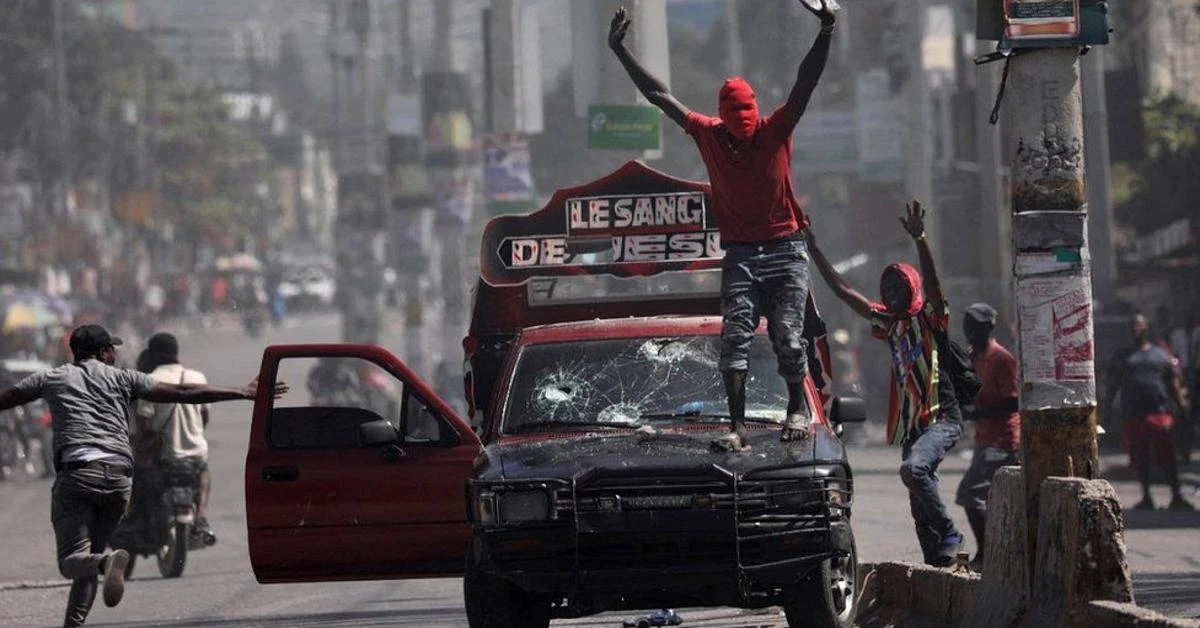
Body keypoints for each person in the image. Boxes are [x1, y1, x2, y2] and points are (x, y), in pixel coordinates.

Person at [607, 0, 836, 451]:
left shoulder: (775, 130)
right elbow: (659, 96)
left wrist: (827, 28)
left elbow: (804, 83)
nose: (742, 134)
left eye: (747, 125)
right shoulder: (708, 132)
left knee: (789, 337)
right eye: (735, 128)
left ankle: (795, 408)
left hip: (786, 250)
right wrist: (620, 51)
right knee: (734, 338)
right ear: (724, 121)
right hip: (741, 254)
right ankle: (736, 427)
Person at [0, 324, 286, 627]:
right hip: (120, 480)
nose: (115, 354)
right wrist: (241, 392)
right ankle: (77, 616)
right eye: (112, 349)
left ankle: (107, 562)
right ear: (103, 352)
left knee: (72, 561)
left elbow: (9, 397)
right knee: (91, 557)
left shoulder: (52, 377)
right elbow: (182, 392)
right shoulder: (124, 378)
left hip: (79, 476)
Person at [807, 201, 965, 567]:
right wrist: (813, 249)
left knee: (914, 471)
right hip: (914, 427)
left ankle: (950, 533)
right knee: (916, 497)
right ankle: (938, 562)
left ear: (912, 289)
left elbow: (935, 285)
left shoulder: (930, 318)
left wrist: (920, 240)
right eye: (888, 289)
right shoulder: (888, 324)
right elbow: (845, 293)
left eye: (899, 289)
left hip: (941, 419)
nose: (892, 295)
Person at [953, 302, 1020, 571]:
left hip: (1002, 440)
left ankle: (988, 554)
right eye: (967, 323)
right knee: (985, 498)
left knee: (971, 494)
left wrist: (979, 413)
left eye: (975, 324)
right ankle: (997, 553)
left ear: (988, 327)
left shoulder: (1001, 359)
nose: (969, 329)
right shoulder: (973, 356)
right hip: (984, 439)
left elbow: (1013, 402)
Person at [133, 333, 216, 540]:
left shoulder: (150, 380)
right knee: (204, 471)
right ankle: (202, 515)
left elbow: (144, 424)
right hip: (196, 452)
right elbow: (204, 418)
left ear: (152, 354)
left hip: (165, 455)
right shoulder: (197, 377)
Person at [1106, 314, 1193, 511]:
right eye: (1132, 326)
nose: (1135, 329)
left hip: (1159, 412)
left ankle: (1176, 496)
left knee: (1167, 456)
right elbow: (1111, 386)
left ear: (1146, 328)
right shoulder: (1122, 357)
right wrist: (1105, 414)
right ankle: (1146, 497)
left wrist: (1182, 407)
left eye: (1139, 325)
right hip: (1133, 414)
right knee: (1140, 457)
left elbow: (1173, 384)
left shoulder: (1160, 355)